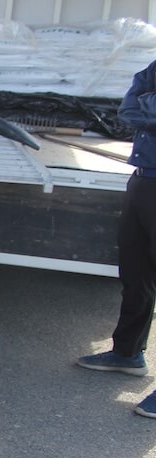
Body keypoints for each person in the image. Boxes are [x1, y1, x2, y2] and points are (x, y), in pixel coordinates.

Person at [77, 59, 156, 418]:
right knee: (136, 273)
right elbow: (128, 110)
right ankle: (127, 352)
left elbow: (143, 107)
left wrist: (148, 104)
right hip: (143, 178)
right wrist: (147, 105)